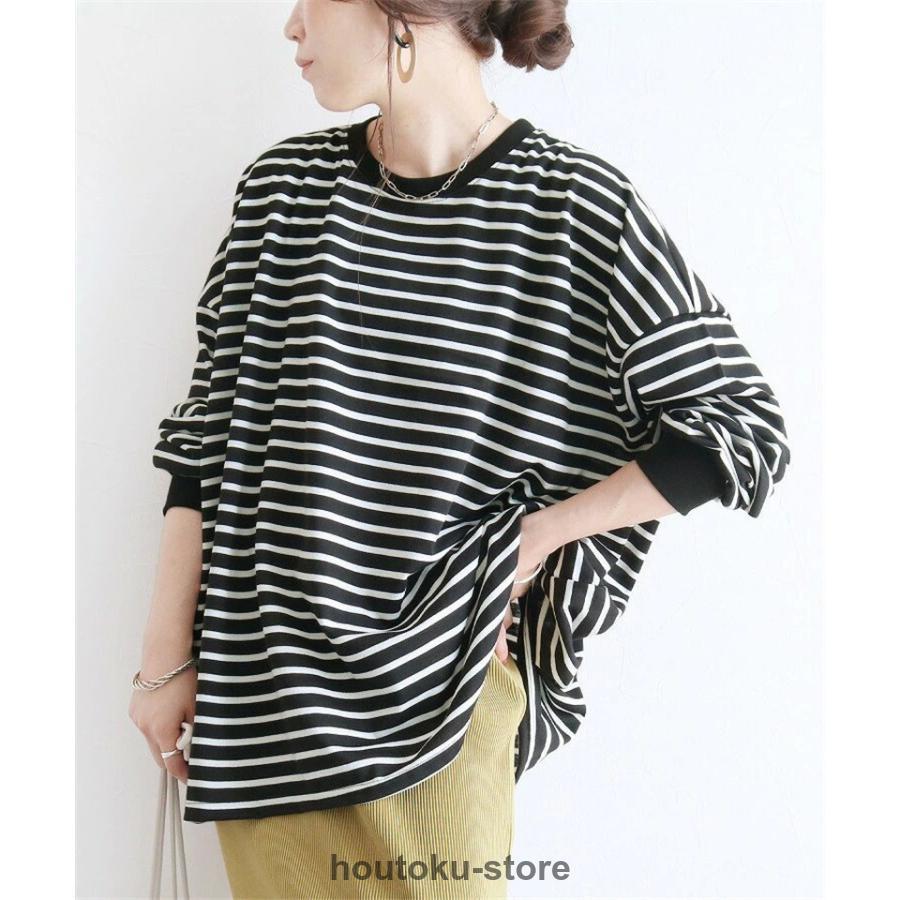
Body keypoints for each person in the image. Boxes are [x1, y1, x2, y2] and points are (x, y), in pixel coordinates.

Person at [128, 1, 792, 897]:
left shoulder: (574, 208)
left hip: (445, 705)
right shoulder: (283, 193)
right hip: (264, 706)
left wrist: (538, 536)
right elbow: (205, 440)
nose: (291, 25)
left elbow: (739, 428)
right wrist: (164, 660)